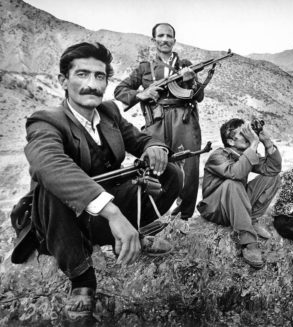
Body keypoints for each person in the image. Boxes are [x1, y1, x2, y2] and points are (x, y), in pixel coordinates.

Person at [19, 42, 183, 320]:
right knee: (51, 187)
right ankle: (82, 279)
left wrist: (155, 148)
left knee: (171, 173)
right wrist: (114, 213)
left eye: (99, 76)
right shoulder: (45, 120)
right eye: (82, 74)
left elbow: (140, 138)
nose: (92, 84)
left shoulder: (109, 112)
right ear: (63, 80)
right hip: (64, 221)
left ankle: (129, 236)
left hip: (102, 216)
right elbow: (50, 165)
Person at [114, 22, 205, 221]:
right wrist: (142, 94)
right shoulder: (145, 68)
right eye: (161, 36)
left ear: (174, 40)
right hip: (156, 120)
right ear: (154, 40)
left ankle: (184, 216)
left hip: (184, 119)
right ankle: (149, 216)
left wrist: (190, 80)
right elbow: (120, 91)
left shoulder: (185, 64)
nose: (165, 39)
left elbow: (199, 96)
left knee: (189, 166)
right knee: (154, 166)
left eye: (169, 36)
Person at [196, 118, 282, 268]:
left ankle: (250, 219)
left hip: (236, 206)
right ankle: (249, 242)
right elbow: (236, 173)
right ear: (230, 141)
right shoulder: (218, 155)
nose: (248, 136)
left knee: (273, 178)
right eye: (243, 133)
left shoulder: (243, 155)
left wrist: (267, 142)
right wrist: (254, 144)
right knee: (232, 183)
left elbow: (272, 169)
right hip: (216, 209)